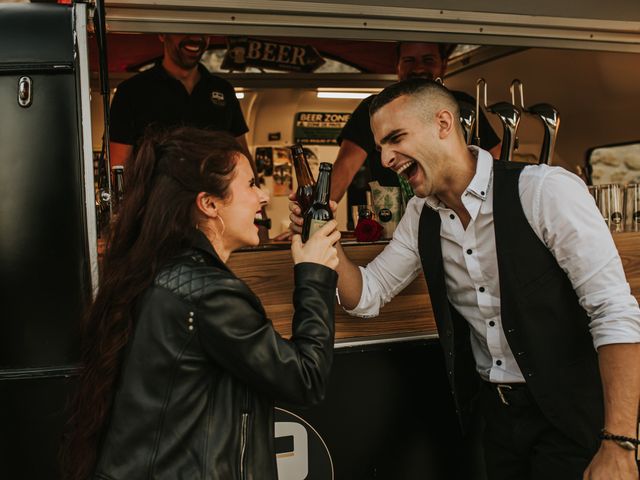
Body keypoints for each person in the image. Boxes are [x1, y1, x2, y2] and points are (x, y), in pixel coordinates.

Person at [289, 79, 640, 479]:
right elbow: (367, 294)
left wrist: (620, 442)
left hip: (573, 416)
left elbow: (614, 311)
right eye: (380, 146)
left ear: (443, 123)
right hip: (496, 419)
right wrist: (323, 238)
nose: (385, 158)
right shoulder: (421, 214)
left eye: (396, 138)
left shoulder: (544, 191)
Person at [62, 127, 341, 479]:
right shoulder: (209, 292)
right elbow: (305, 378)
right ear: (209, 204)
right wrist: (314, 275)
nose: (264, 197)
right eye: (252, 185)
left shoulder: (158, 270)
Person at [331, 42, 502, 226]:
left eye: (428, 60)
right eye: (409, 60)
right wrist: (319, 213)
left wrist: (490, 207)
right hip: (395, 221)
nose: (418, 67)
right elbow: (346, 167)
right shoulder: (374, 110)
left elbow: (495, 158)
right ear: (397, 66)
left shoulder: (463, 103)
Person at [108, 33, 251, 167]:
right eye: (184, 27)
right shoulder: (132, 91)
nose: (196, 37)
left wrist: (254, 190)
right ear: (162, 34)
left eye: (203, 29)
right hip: (157, 194)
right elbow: (119, 167)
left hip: (215, 192)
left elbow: (242, 155)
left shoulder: (223, 89)